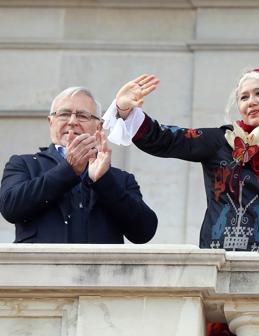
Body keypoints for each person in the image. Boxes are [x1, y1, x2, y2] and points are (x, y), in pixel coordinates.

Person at [103, 70, 259, 251]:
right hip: (223, 266)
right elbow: (166, 139)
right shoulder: (223, 141)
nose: (250, 101)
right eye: (243, 97)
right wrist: (124, 109)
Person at [0, 87, 157, 244]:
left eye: (82, 116)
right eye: (64, 114)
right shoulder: (24, 164)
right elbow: (10, 208)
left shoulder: (119, 179)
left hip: (100, 269)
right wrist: (68, 169)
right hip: (40, 268)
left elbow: (144, 232)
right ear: (51, 122)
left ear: (99, 126)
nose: (72, 121)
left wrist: (104, 182)